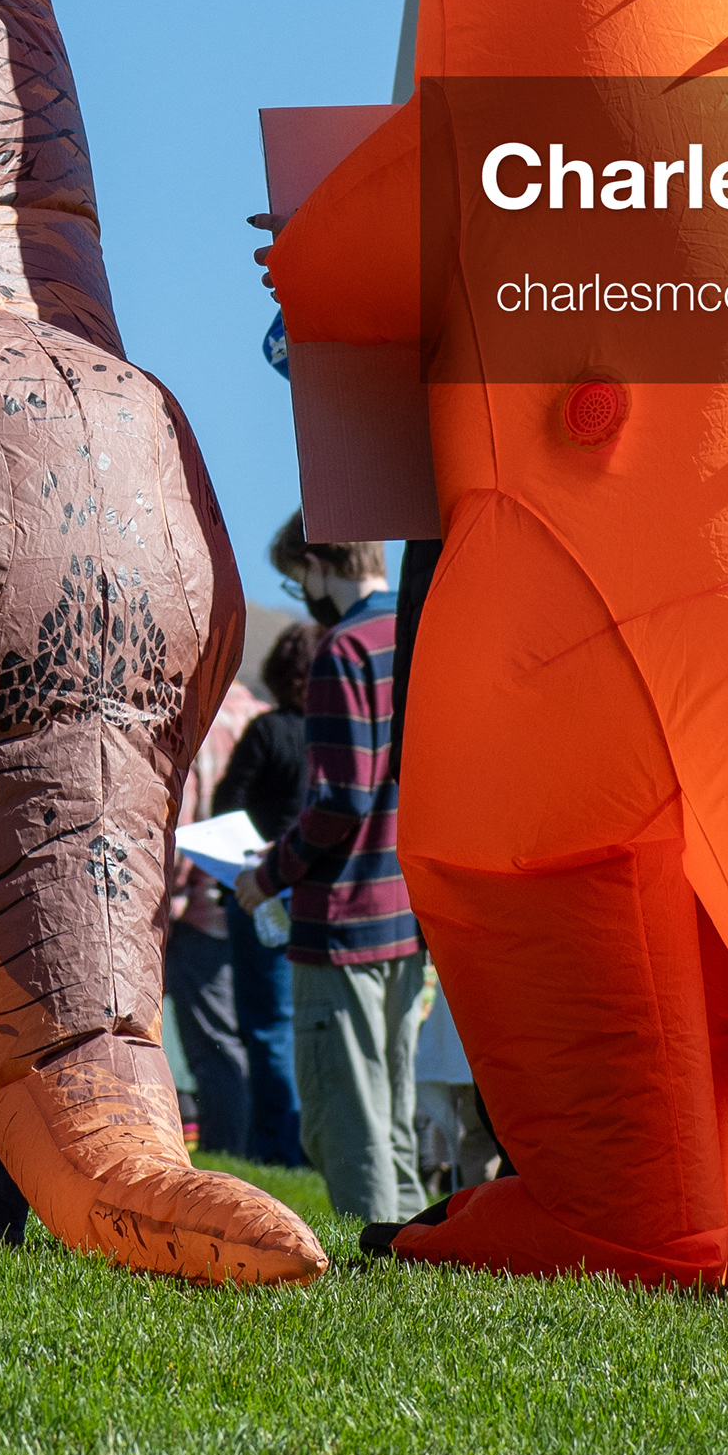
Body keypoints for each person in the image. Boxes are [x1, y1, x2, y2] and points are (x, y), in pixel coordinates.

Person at [227, 518, 427, 1227]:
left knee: (346, 1124)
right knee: (395, 1116)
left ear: (318, 565)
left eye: (294, 578)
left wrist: (267, 875)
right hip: (406, 911)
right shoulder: (412, 627)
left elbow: (341, 796)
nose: (300, 593)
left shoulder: (342, 650)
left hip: (340, 921)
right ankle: (413, 1261)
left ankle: (380, 1281)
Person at [211, 618, 316, 1167]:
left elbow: (228, 803)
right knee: (308, 1023)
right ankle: (306, 1142)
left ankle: (277, 1150)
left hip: (262, 890)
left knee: (267, 1023)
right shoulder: (336, 736)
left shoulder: (268, 733)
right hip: (319, 893)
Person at [164, 656, 265, 1152]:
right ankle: (254, 1146)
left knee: (212, 1046)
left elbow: (180, 821)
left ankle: (228, 1152)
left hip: (199, 906)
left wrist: (168, 899)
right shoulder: (253, 711)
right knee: (246, 1035)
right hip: (253, 898)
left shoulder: (194, 716)